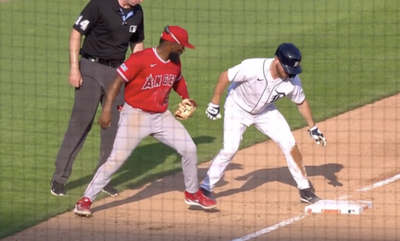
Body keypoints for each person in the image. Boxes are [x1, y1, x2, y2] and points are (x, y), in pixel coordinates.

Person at [73, 25, 217, 217]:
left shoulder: (175, 62)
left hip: (161, 117)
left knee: (189, 148)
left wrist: (185, 97)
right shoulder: (140, 59)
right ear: (172, 45)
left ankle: (192, 193)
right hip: (136, 116)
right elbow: (117, 83)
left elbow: (178, 80)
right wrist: (106, 110)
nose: (184, 49)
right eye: (182, 46)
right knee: (116, 159)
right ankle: (85, 200)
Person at [201, 43, 327, 204]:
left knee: (289, 144)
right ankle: (205, 188)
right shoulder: (253, 67)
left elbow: (301, 102)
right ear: (277, 60)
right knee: (230, 149)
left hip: (265, 112)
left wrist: (313, 127)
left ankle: (305, 190)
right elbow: (225, 76)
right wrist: (214, 103)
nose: (290, 74)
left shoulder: (293, 81)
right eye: (286, 69)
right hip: (236, 108)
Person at [50, 0, 146, 197]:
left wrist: (136, 73)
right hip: (91, 68)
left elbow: (137, 43)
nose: (141, 0)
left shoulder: (137, 11)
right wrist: (74, 68)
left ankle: (102, 178)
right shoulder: (99, 4)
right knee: (80, 123)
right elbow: (76, 33)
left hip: (118, 73)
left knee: (114, 128)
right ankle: (59, 178)